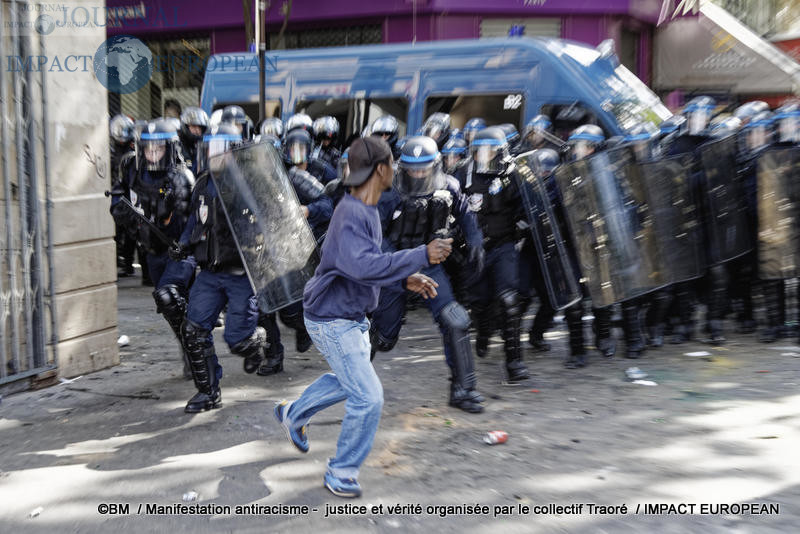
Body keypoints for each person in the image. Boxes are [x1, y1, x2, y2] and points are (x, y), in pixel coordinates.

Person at [274, 136, 450, 498]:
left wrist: (405, 278)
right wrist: (422, 255)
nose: (398, 171)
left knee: (349, 381)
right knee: (368, 397)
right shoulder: (352, 212)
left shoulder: (365, 209)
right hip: (331, 318)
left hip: (349, 316)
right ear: (381, 170)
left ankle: (294, 413)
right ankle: (341, 472)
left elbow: (365, 266)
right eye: (393, 164)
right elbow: (363, 265)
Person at [371, 135, 485, 413]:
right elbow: (376, 236)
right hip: (395, 268)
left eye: (424, 167)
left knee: (455, 319)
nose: (418, 173)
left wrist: (475, 241)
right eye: (412, 168)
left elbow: (465, 213)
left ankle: (463, 390)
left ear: (434, 165)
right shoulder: (387, 193)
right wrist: (395, 267)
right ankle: (350, 384)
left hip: (430, 266)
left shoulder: (449, 186)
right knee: (382, 339)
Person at [172, 124, 267, 412]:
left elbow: (269, 224)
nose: (215, 155)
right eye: (211, 149)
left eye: (221, 150)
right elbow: (195, 222)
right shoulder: (203, 183)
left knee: (236, 339)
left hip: (241, 275)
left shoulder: (251, 184)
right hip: (211, 274)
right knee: (193, 330)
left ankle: (255, 343)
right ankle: (209, 392)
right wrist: (184, 244)